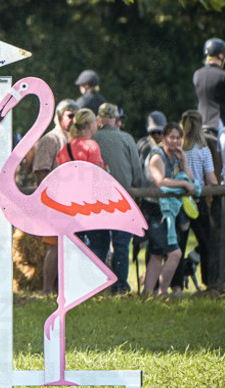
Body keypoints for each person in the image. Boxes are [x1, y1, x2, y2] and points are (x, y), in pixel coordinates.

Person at [92, 103, 144, 293]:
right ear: (116, 119)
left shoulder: (92, 139)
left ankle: (98, 285)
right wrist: (138, 192)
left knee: (99, 245)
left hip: (97, 201)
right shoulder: (127, 139)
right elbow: (137, 172)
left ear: (99, 119)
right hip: (123, 199)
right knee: (122, 244)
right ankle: (121, 285)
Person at [141, 122, 196, 295]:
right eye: (172, 137)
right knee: (175, 253)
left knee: (157, 255)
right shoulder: (157, 156)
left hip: (168, 211)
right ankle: (162, 292)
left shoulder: (176, 156)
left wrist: (183, 160)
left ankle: (148, 294)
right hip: (154, 211)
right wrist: (183, 184)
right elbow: (160, 181)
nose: (175, 141)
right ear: (164, 138)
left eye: (178, 138)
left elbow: (191, 179)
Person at [32, 99, 78, 294]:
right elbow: (40, 170)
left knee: (71, 247)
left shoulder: (75, 140)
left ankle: (67, 289)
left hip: (74, 201)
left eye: (77, 115)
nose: (74, 119)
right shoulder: (50, 139)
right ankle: (47, 289)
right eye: (70, 115)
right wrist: (50, 198)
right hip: (55, 201)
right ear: (59, 117)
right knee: (55, 246)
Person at [55, 108, 107, 261]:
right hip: (89, 206)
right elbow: (97, 177)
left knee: (73, 249)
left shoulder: (65, 148)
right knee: (99, 246)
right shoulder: (92, 146)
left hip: (69, 206)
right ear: (90, 125)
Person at [178, 110, 219, 288]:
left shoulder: (178, 148)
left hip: (179, 199)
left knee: (179, 243)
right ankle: (209, 281)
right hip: (198, 199)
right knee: (205, 241)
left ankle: (177, 284)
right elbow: (211, 179)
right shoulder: (203, 150)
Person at [193, 37, 225, 146]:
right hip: (217, 124)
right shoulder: (222, 76)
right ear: (220, 56)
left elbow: (198, 100)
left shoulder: (197, 75)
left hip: (199, 124)